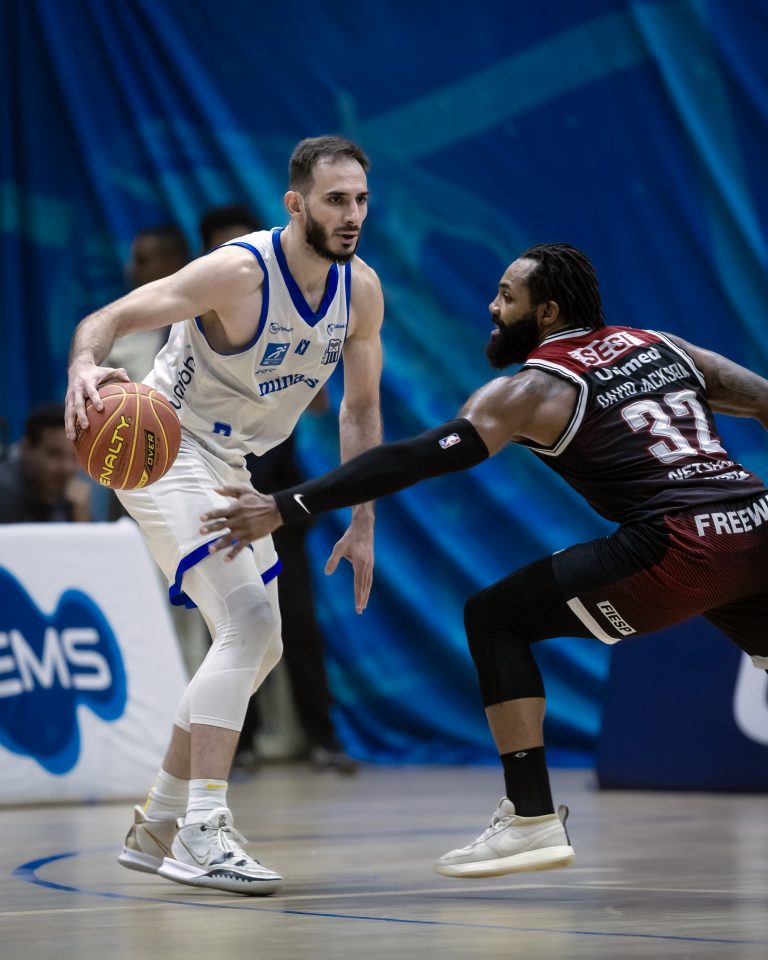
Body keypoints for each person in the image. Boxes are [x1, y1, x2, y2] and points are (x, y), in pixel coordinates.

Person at [199, 242, 768, 880]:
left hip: (680, 544)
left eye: (507, 297)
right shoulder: (663, 346)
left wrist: (286, 505)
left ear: (547, 313)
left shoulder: (532, 389)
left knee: (495, 618)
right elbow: (764, 399)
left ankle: (531, 818)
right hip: (758, 526)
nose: (492, 308)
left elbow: (414, 459)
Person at [65, 135, 383, 896]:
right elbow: (112, 316)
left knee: (261, 647)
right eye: (335, 200)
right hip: (163, 445)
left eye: (361, 200)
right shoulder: (238, 272)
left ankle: (158, 822)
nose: (351, 215)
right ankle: (202, 829)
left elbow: (360, 410)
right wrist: (82, 362)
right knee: (250, 623)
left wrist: (363, 521)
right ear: (296, 204)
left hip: (234, 466)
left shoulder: (361, 291)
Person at [199, 203, 358, 774]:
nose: (240, 259)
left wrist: (288, 371)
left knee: (297, 621)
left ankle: (324, 738)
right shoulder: (200, 317)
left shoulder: (294, 309)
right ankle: (236, 747)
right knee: (229, 625)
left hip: (277, 497)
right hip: (217, 493)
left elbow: (321, 403)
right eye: (225, 249)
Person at [105, 225, 190, 382]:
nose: (131, 269)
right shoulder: (115, 333)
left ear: (172, 263)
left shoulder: (203, 325)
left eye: (142, 261)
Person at [0, 403, 91, 523]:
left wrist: (82, 520)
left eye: (74, 456)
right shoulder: (5, 492)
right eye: (54, 454)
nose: (66, 468)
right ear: (27, 450)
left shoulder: (70, 496)